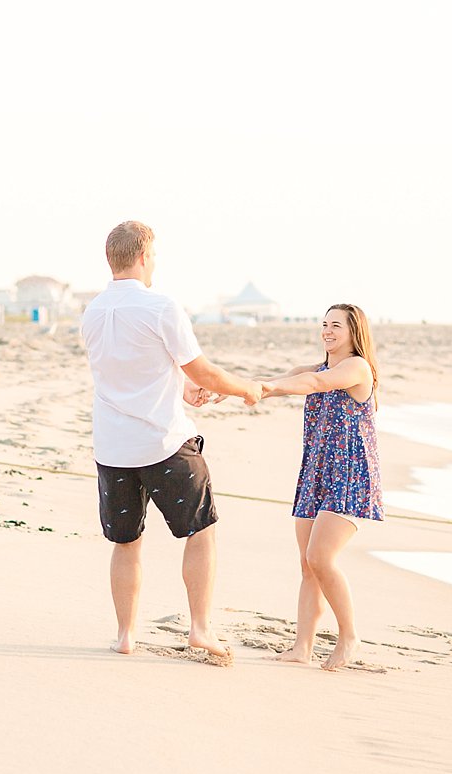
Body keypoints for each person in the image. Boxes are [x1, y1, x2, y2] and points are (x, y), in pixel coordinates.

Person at [80, 220, 263, 661]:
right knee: (201, 531)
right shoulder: (160, 306)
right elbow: (204, 372)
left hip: (113, 448)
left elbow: (129, 371)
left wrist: (182, 388)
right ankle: (200, 627)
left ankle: (126, 636)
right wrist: (247, 389)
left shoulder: (92, 312)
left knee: (126, 542)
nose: (155, 262)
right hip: (163, 442)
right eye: (155, 255)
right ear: (143, 257)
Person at [259, 303, 382, 671]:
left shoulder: (357, 368)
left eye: (336, 326)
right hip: (316, 473)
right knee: (307, 566)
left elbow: (314, 385)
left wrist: (264, 389)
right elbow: (281, 382)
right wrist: (232, 389)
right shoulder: (318, 368)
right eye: (324, 325)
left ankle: (349, 637)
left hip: (349, 475)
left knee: (320, 558)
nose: (327, 331)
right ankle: (303, 647)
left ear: (353, 333)